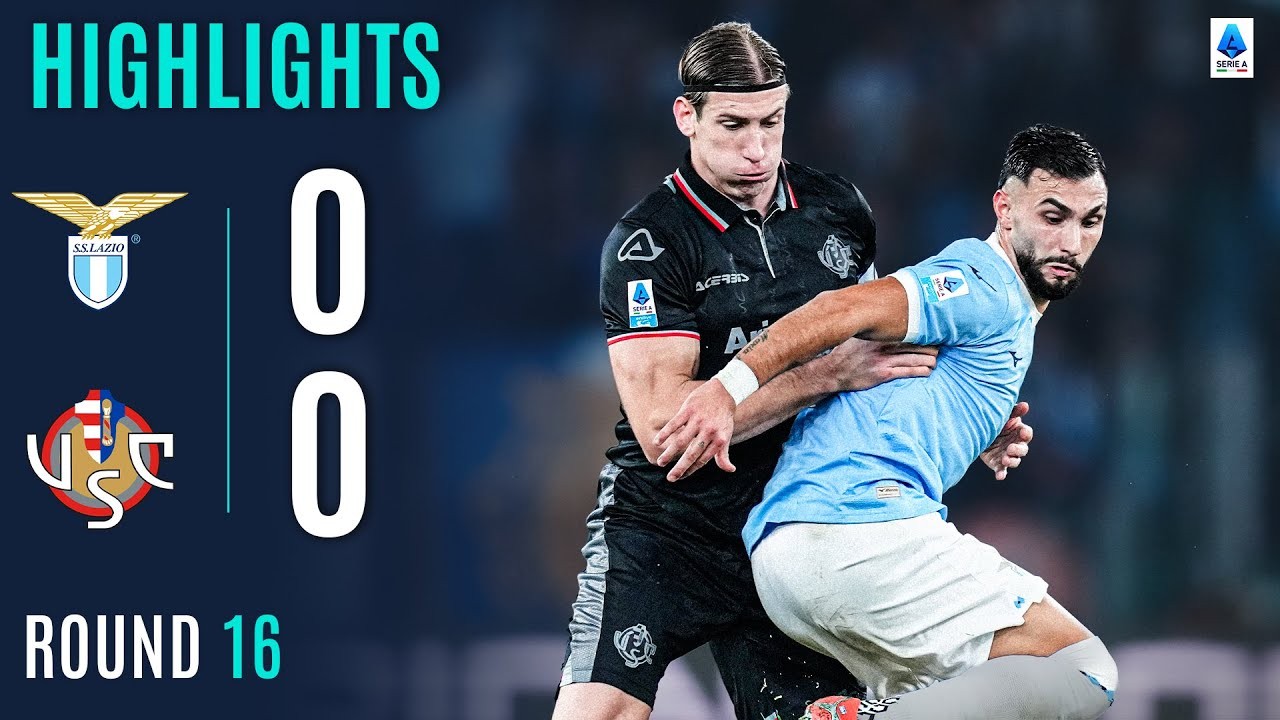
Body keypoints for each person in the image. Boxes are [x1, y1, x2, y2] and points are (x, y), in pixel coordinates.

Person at [553, 21, 1033, 720]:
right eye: (733, 125)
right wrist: (820, 376)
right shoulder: (647, 243)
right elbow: (668, 433)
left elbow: (876, 358)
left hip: (793, 525)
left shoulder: (839, 211)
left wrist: (967, 420)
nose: (756, 149)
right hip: (666, 530)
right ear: (687, 116)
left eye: (771, 122)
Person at [655, 124, 1116, 720]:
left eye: (1090, 221)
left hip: (789, 558)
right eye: (1053, 216)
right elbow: (839, 309)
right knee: (1083, 670)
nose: (1071, 241)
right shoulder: (984, 281)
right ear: (1005, 209)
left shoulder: (1005, 315)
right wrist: (727, 389)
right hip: (860, 537)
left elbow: (889, 391)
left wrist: (973, 431)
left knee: (969, 704)